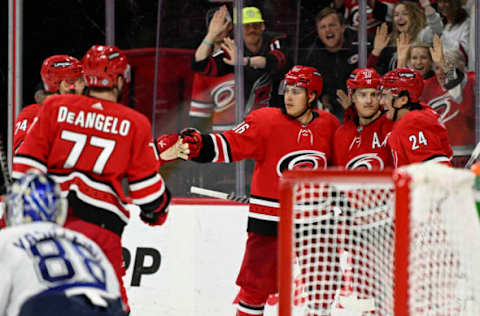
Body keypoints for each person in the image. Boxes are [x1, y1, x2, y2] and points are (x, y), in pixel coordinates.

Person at [12, 45, 181, 311]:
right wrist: (157, 210)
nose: (78, 84)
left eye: (81, 78)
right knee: (112, 305)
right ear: (118, 80)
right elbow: (146, 192)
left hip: (55, 222)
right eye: (74, 79)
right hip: (102, 227)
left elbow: (23, 167)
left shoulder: (55, 109)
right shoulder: (132, 121)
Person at [167, 65, 339, 316]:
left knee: (322, 290)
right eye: (287, 90)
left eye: (297, 92)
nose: (288, 97)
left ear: (312, 96)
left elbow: (338, 168)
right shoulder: (266, 121)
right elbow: (228, 144)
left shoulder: (329, 124)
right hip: (270, 220)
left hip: (316, 221)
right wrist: (199, 145)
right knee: (255, 288)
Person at [0, 172, 126, 316]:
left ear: (12, 208)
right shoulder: (83, 242)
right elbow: (115, 294)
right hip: (106, 307)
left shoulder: (7, 238)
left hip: (49, 304)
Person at [191, 6, 291, 115]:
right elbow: (200, 64)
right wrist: (211, 34)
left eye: (256, 25)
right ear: (238, 29)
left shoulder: (275, 40)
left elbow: (276, 61)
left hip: (276, 113)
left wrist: (244, 61)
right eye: (246, 26)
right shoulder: (233, 47)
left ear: (262, 26)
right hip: (245, 118)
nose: (252, 29)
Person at [301, 7, 371, 122]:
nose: (328, 30)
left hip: (362, 105)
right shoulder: (311, 56)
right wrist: (322, 96)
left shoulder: (359, 44)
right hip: (332, 110)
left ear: (342, 27)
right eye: (323, 27)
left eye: (332, 25)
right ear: (318, 32)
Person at [380, 67, 453, 167]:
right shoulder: (422, 113)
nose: (381, 102)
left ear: (403, 100)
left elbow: (436, 171)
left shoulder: (413, 122)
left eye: (385, 96)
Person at [420, 35, 475, 166]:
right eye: (438, 68)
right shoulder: (427, 86)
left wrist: (446, 66)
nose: (441, 72)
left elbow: (455, 88)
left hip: (467, 155)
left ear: (462, 67)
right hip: (437, 155)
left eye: (448, 67)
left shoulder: (471, 82)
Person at [13, 55, 85, 153]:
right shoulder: (33, 113)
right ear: (66, 85)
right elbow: (22, 156)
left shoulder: (81, 114)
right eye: (80, 80)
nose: (84, 85)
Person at [334, 68, 394, 169]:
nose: (369, 101)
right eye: (362, 95)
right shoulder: (342, 133)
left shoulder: (393, 127)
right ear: (353, 97)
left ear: (380, 97)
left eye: (374, 94)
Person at [190, 5, 235, 132]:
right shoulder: (204, 69)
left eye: (223, 23)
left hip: (250, 134)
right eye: (214, 24)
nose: (219, 28)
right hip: (223, 138)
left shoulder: (240, 55)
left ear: (230, 26)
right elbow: (199, 117)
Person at [368, 0, 443, 75]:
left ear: (414, 17)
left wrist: (427, 7)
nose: (400, 18)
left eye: (405, 14)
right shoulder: (391, 40)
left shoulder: (423, 35)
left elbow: (437, 29)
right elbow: (369, 73)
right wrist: (376, 51)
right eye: (396, 15)